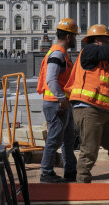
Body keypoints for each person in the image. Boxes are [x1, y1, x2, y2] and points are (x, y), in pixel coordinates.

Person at [64, 16, 109, 184]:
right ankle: (82, 187)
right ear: (97, 40)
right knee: (89, 151)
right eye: (106, 39)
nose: (107, 42)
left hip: (104, 112)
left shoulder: (104, 62)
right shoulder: (89, 51)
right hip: (88, 109)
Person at [36, 18, 79, 183]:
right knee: (54, 139)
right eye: (74, 36)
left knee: (68, 139)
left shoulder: (61, 53)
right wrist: (61, 99)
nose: (75, 39)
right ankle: (46, 173)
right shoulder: (57, 53)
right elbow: (51, 79)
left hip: (61, 103)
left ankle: (70, 171)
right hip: (56, 103)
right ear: (68, 37)